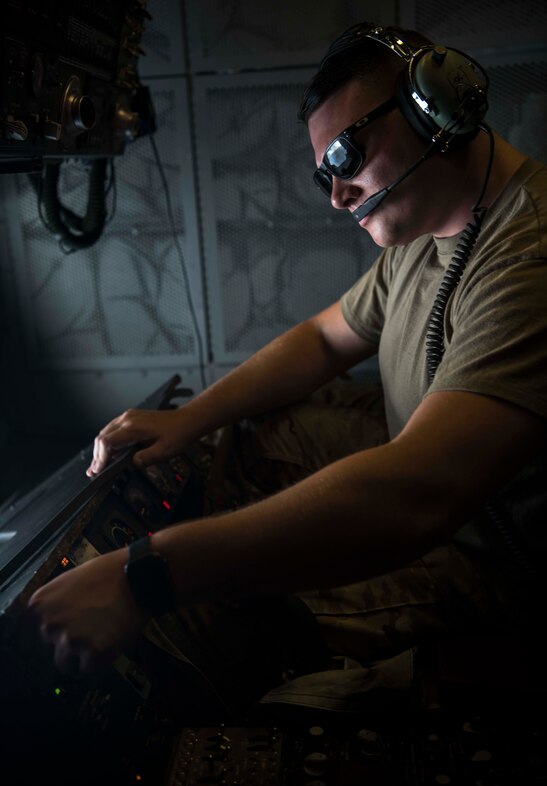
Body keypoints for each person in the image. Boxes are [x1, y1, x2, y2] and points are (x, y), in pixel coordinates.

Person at [28, 22, 546, 710]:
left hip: (488, 565)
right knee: (249, 432)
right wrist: (186, 421)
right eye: (323, 171)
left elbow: (419, 491)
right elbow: (326, 340)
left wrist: (145, 577)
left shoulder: (527, 257)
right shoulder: (431, 225)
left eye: (346, 153)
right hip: (423, 487)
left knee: (222, 627)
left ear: (439, 105)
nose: (336, 192)